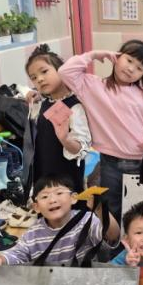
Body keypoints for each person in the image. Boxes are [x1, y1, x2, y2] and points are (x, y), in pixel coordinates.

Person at [58, 40, 143, 221]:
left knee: (142, 212)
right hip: (109, 163)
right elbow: (65, 71)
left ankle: (137, 240)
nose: (131, 69)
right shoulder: (92, 86)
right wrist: (94, 54)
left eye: (139, 68)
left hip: (142, 162)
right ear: (117, 57)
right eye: (129, 60)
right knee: (111, 209)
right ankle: (113, 240)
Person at [0, 175, 120, 272]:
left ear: (74, 198)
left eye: (59, 193)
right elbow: (17, 254)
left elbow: (112, 236)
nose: (52, 200)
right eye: (45, 196)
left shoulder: (87, 220)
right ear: (36, 207)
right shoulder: (33, 234)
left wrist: (100, 210)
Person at [22, 45, 91, 193]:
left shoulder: (73, 106)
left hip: (65, 181)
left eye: (44, 71)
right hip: (43, 175)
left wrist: (65, 139)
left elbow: (81, 149)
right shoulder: (45, 102)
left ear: (61, 70)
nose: (40, 79)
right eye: (34, 78)